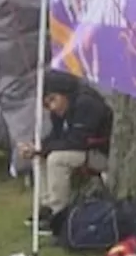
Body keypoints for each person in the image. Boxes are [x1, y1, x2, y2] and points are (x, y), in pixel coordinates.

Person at [18, 70, 112, 224]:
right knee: (40, 156)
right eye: (47, 104)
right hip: (82, 150)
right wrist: (36, 147)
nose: (52, 107)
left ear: (64, 93)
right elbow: (57, 136)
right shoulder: (62, 109)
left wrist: (43, 148)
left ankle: (59, 214)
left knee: (57, 159)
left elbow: (77, 141)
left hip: (100, 153)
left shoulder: (86, 103)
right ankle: (46, 206)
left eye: (53, 99)